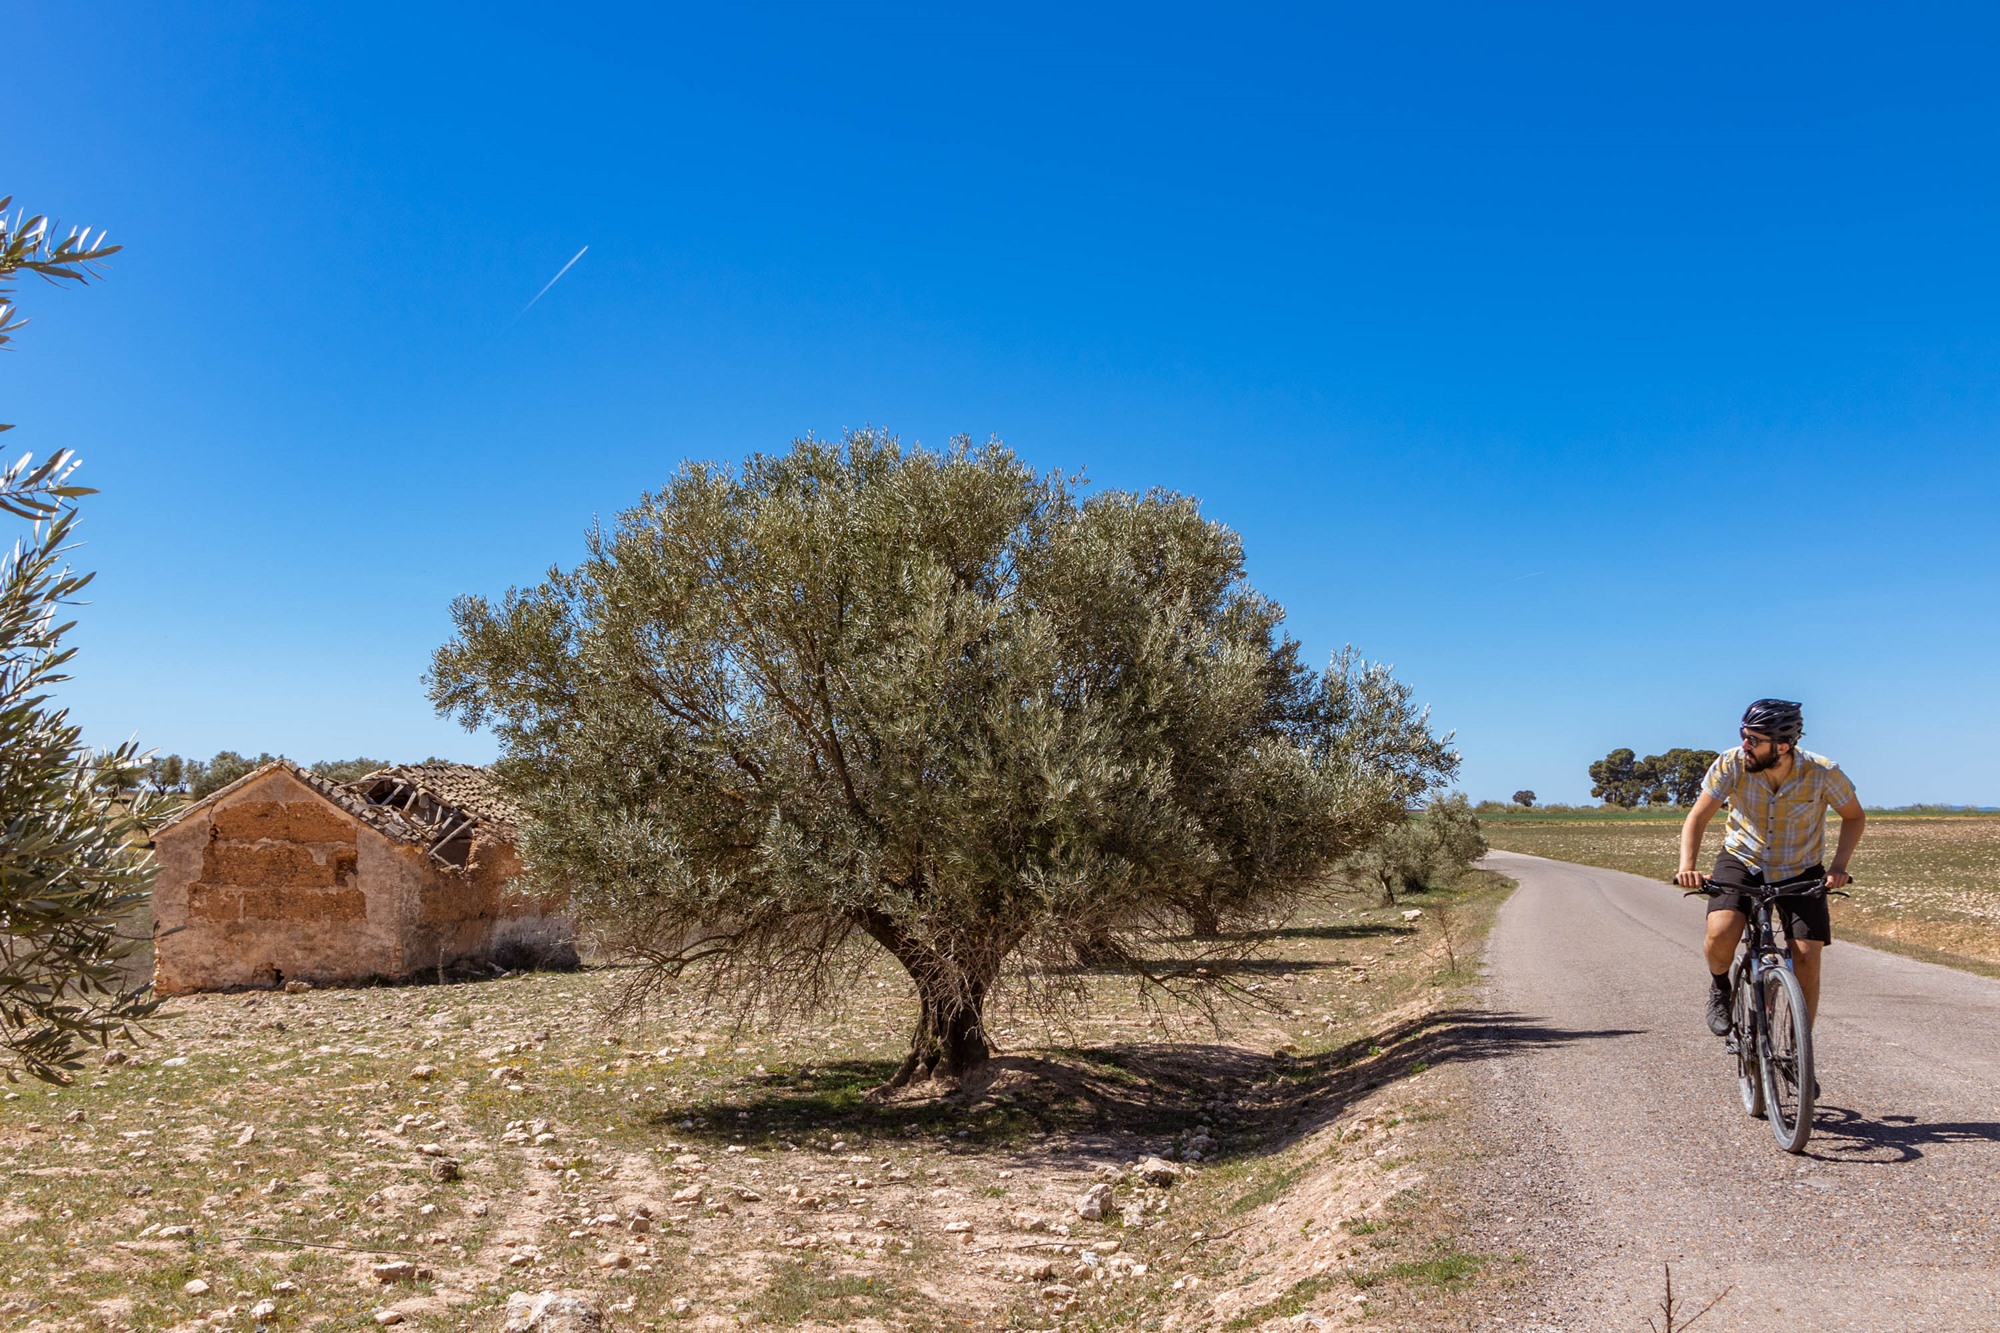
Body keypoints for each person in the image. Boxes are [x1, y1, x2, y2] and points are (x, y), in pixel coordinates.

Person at [1674, 699, 1865, 1036]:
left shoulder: (1822, 772)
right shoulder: (1730, 764)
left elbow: (1854, 816)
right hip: (1742, 859)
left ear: (1783, 745)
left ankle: (1797, 1047)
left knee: (1806, 956)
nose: (1745, 745)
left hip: (1800, 866)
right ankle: (1720, 988)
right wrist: (1687, 866)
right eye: (1744, 736)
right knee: (1721, 931)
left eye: (1754, 740)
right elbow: (1698, 817)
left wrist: (1838, 866)